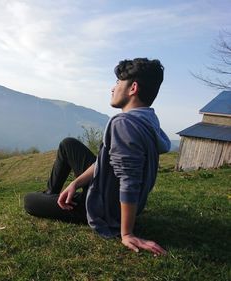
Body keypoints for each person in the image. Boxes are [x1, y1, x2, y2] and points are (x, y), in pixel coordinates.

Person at [24, 58, 170, 256]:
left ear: (132, 88)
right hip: (109, 193)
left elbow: (129, 180)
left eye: (118, 83)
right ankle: (54, 195)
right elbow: (106, 159)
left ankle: (51, 200)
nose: (113, 88)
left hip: (105, 210)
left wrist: (126, 233)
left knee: (30, 201)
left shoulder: (124, 124)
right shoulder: (148, 119)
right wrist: (75, 182)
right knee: (69, 145)